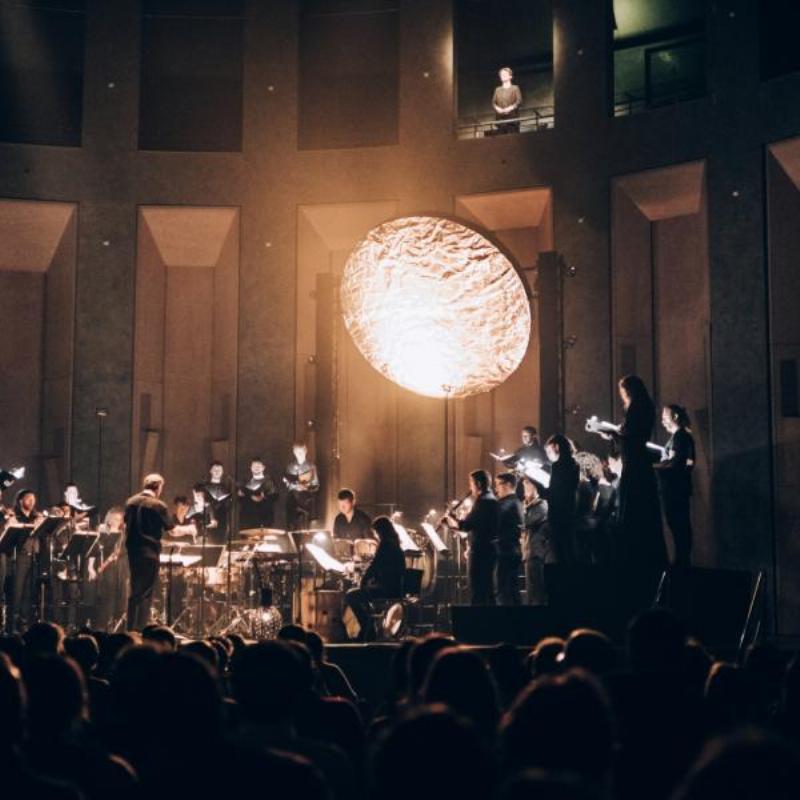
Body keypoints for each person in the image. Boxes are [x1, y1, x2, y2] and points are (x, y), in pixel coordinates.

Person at [604, 375, 667, 573]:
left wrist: (614, 434)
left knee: (633, 511)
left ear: (630, 390)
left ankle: (633, 558)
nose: (622, 395)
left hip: (635, 465)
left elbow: (632, 437)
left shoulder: (637, 407)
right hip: (636, 463)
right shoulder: (644, 407)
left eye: (623, 391)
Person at [123, 473, 174, 630]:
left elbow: (126, 525)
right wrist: (190, 529)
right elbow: (172, 531)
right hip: (149, 553)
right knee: (145, 594)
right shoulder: (158, 505)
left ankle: (130, 630)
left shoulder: (130, 502)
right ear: (158, 487)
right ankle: (139, 631)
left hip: (133, 552)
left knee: (135, 592)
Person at [344, 516, 405, 642]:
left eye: (376, 532)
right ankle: (368, 627)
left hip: (387, 590)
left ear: (380, 531)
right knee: (362, 596)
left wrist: (364, 580)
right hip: (395, 588)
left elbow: (374, 565)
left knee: (350, 595)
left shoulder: (385, 545)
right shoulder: (395, 544)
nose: (376, 535)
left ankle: (368, 627)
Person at [447, 470, 499, 606]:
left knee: (477, 591)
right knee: (488, 591)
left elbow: (466, 525)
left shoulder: (483, 501)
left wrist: (451, 518)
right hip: (489, 550)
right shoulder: (491, 499)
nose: (470, 487)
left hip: (480, 552)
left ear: (479, 484)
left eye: (471, 483)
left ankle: (477, 623)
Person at [655, 404, 696, 568]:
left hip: (674, 490)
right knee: (679, 528)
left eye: (665, 416)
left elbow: (677, 463)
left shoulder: (680, 437)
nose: (662, 420)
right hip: (675, 489)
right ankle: (682, 562)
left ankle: (682, 564)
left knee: (679, 528)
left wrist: (655, 466)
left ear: (675, 417)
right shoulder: (680, 437)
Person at [4, 489, 45, 631]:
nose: (32, 502)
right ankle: (13, 624)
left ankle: (24, 623)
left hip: (33, 556)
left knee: (29, 592)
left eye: (34, 499)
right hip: (19, 556)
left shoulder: (36, 516)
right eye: (29, 499)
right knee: (17, 591)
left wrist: (41, 523)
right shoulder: (16, 515)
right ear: (21, 500)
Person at [543, 435, 579, 563]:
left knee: (558, 556)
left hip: (558, 516)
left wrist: (538, 484)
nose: (548, 455)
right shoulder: (573, 463)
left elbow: (554, 493)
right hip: (569, 514)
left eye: (549, 451)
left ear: (557, 447)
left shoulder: (558, 466)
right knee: (569, 554)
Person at [494, 472, 524, 606]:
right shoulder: (514, 502)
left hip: (505, 552)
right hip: (511, 551)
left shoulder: (508, 503)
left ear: (508, 485)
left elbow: (494, 520)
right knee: (511, 591)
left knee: (503, 591)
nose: (496, 489)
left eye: (498, 485)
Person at [521, 475, 549, 605]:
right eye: (524, 485)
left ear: (535, 487)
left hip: (537, 553)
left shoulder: (541, 505)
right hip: (529, 553)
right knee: (531, 592)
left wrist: (524, 508)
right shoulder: (529, 505)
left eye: (528, 484)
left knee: (537, 592)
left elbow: (526, 522)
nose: (525, 488)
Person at [284, 442, 320, 530]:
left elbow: (316, 485)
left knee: (305, 527)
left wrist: (306, 487)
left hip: (306, 501)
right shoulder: (290, 467)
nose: (299, 454)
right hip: (293, 500)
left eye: (301, 452)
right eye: (297, 452)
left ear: (306, 451)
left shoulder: (311, 466)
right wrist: (293, 485)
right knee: (292, 526)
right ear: (294, 453)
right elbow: (287, 483)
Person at [238, 457, 279, 530]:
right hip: (248, 519)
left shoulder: (269, 481)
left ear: (263, 468)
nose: (256, 468)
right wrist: (249, 496)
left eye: (258, 466)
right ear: (250, 468)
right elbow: (240, 499)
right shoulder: (245, 482)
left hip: (265, 518)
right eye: (254, 466)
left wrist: (264, 496)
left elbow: (275, 497)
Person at [203, 462, 232, 544]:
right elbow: (205, 503)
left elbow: (228, 505)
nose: (217, 472)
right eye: (215, 470)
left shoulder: (226, 487)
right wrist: (212, 518)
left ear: (222, 472)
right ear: (210, 471)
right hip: (209, 520)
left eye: (219, 470)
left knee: (222, 545)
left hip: (223, 521)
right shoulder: (205, 486)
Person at [492, 66, 522, 134]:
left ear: (510, 76)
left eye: (505, 74)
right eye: (501, 75)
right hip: (501, 121)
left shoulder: (515, 88)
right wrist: (498, 109)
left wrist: (510, 108)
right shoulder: (497, 89)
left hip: (512, 121)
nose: (503, 76)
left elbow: (519, 101)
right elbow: (493, 102)